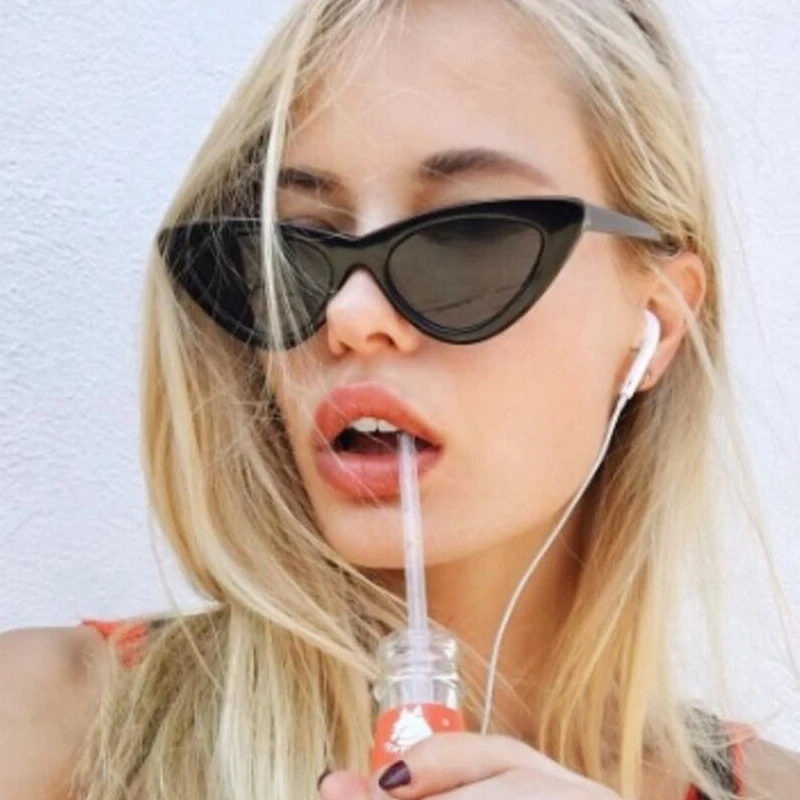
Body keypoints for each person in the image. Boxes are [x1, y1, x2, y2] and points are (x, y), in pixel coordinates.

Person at [1, 0, 798, 798]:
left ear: (655, 323)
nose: (349, 314)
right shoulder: (44, 732)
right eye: (298, 243)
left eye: (466, 237)